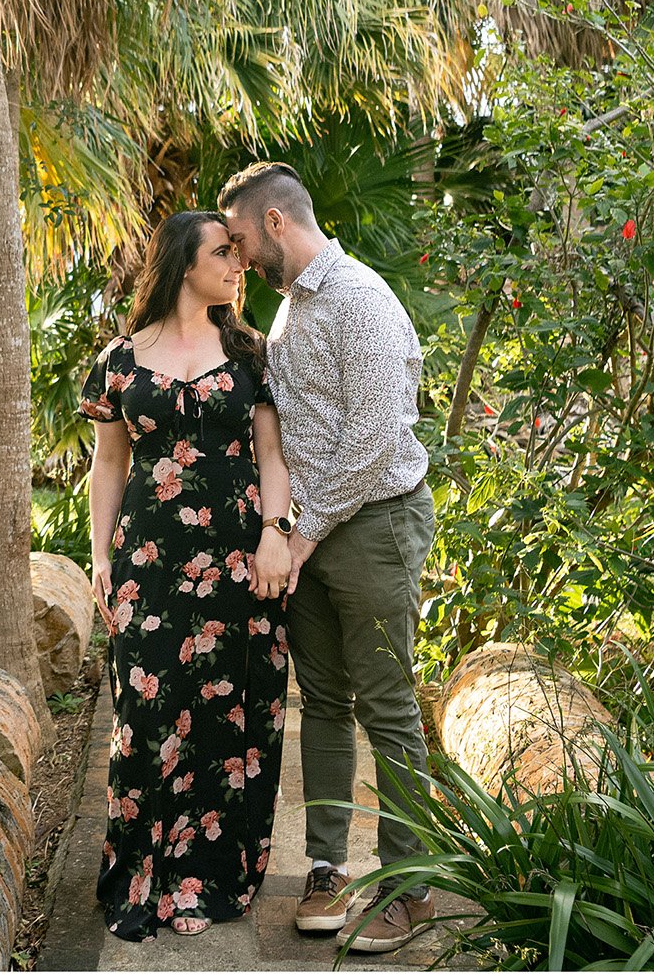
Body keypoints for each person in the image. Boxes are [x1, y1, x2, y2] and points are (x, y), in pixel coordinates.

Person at [217, 161, 438, 954]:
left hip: (372, 526)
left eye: (240, 239)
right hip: (310, 531)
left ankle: (412, 890)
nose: (237, 256)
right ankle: (326, 865)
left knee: (387, 707)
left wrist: (299, 533)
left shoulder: (360, 300)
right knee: (325, 701)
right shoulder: (286, 313)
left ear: (275, 223)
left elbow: (376, 438)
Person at [81, 211, 296, 940]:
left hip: (239, 558)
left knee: (229, 711)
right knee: (144, 714)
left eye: (238, 255)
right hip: (148, 557)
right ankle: (142, 874)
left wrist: (276, 534)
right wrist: (102, 555)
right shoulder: (118, 358)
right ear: (181, 263)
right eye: (222, 254)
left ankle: (209, 875)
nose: (238, 266)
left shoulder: (252, 352)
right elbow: (108, 463)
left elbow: (273, 456)